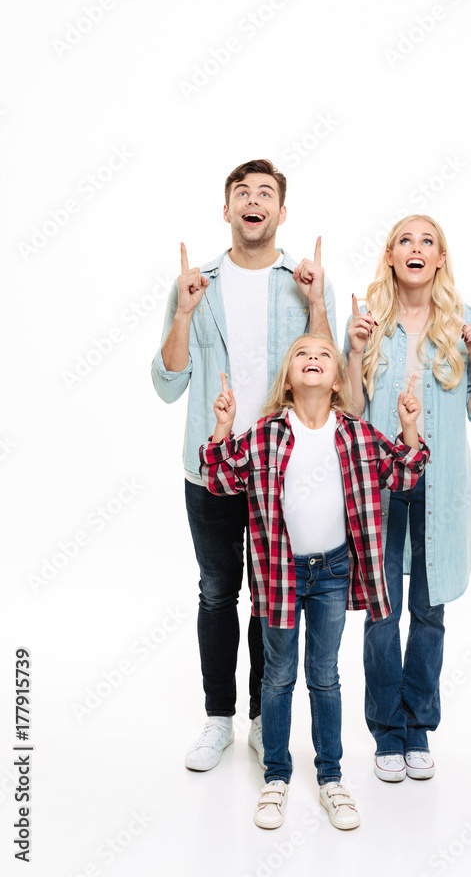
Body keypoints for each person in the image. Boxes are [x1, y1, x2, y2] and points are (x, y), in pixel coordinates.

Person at [199, 334, 429, 829]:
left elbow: (405, 474)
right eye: (302, 354)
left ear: (338, 379)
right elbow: (218, 478)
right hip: (280, 574)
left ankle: (331, 778)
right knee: (279, 676)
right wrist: (221, 429)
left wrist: (410, 430)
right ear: (288, 377)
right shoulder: (265, 433)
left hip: (333, 572)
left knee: (324, 676)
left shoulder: (358, 433)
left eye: (324, 354)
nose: (313, 359)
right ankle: (276, 778)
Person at [151, 158, 336, 772]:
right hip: (211, 468)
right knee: (215, 593)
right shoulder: (196, 283)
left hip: (282, 469)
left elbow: (326, 370)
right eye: (242, 193)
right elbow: (168, 383)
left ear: (282, 212)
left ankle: (263, 717)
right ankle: (217, 719)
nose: (253, 202)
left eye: (266, 194)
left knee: (269, 598)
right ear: (226, 208)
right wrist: (181, 312)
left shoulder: (304, 280)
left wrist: (316, 303)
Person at [344, 214, 471, 782]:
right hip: (382, 486)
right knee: (382, 613)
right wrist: (355, 353)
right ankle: (386, 729)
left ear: (439, 259)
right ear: (390, 255)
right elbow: (351, 414)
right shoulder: (366, 323)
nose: (416, 248)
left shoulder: (464, 323)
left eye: (426, 241)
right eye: (405, 240)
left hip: (440, 490)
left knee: (428, 614)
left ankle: (418, 726)